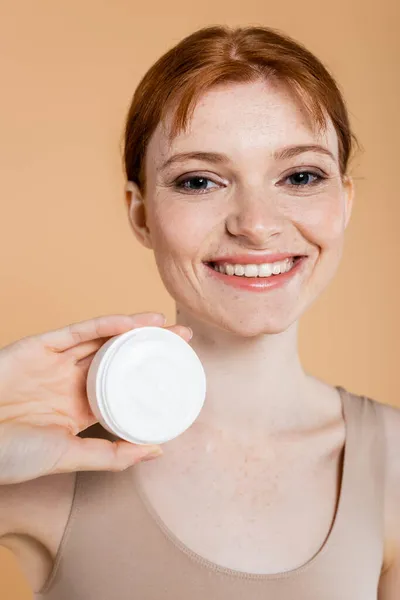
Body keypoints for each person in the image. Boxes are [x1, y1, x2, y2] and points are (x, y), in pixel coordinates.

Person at [0, 24, 399, 599]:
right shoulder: (53, 460)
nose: (256, 224)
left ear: (344, 200)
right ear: (141, 214)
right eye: (200, 180)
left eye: (301, 176)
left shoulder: (393, 463)